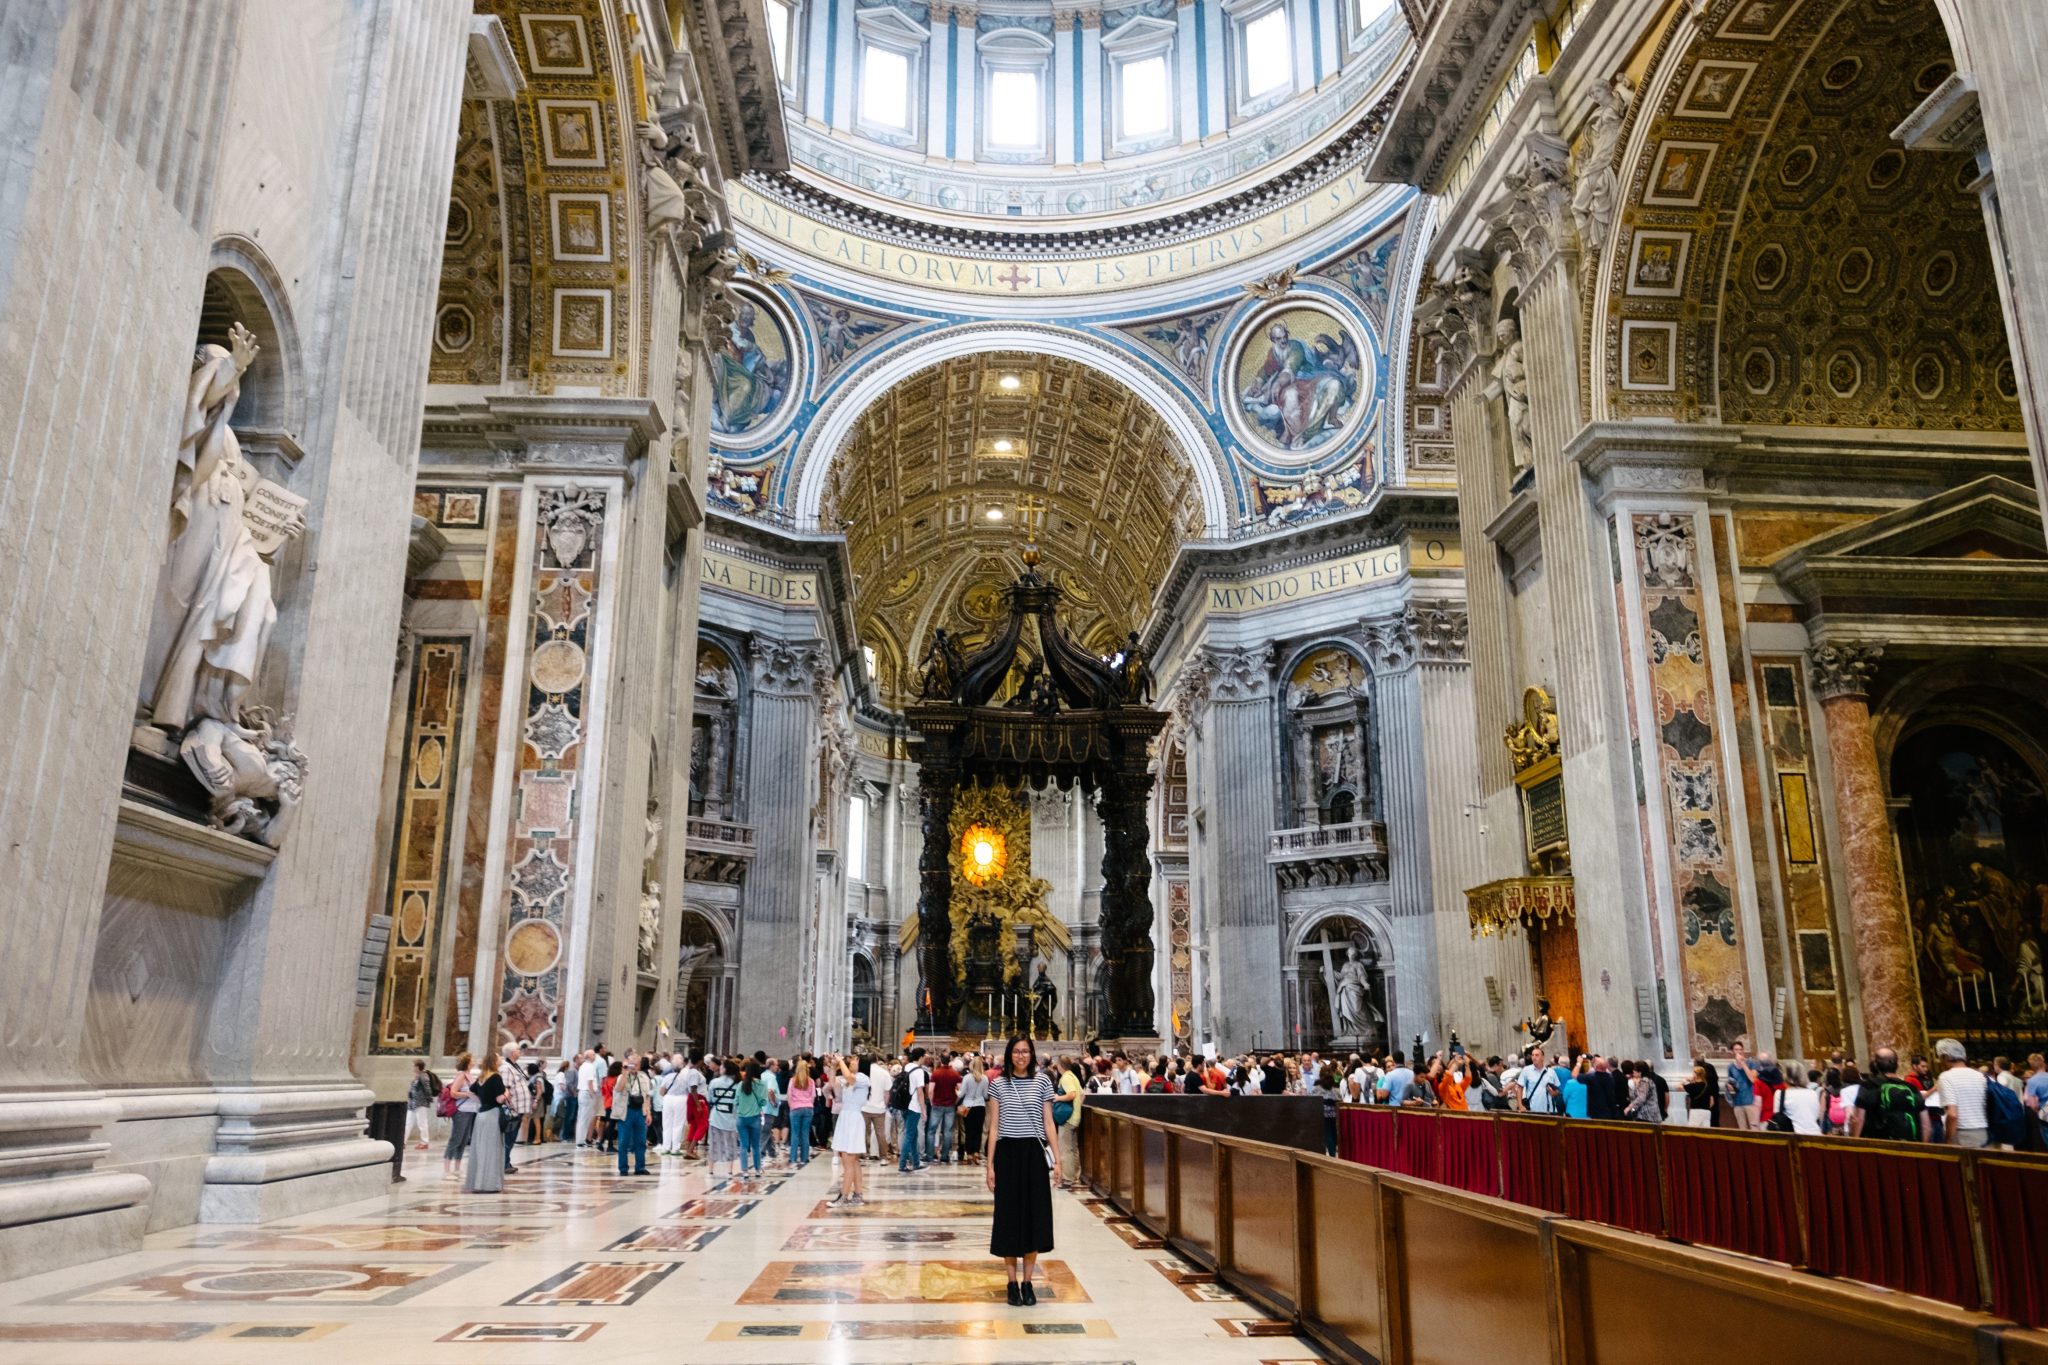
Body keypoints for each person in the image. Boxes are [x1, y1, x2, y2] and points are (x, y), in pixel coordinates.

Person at [987, 1036, 1059, 1306]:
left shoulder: (1042, 1081)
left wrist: (1058, 1160)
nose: (1021, 1056)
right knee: (1008, 1217)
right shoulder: (998, 1084)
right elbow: (994, 1126)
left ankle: (1028, 1282)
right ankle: (1011, 1283)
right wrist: (989, 1165)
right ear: (1009, 1055)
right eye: (1016, 1052)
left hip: (1033, 1154)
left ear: (1032, 1054)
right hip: (1007, 1154)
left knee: (1034, 1216)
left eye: (1025, 1051)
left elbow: (1048, 1122)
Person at [1929, 1037, 1991, 1147]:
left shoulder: (1946, 1077)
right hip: (1984, 1132)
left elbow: (1952, 1114)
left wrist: (1948, 1139)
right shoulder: (1979, 1076)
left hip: (1962, 1134)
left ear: (1944, 1057)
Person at [1853, 1048, 1924, 1142]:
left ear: (1876, 1065)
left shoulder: (1868, 1086)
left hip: (1878, 1145)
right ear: (1897, 1064)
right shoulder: (1911, 1088)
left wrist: (1854, 1142)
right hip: (1909, 1145)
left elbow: (1859, 1119)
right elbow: (1926, 1124)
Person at [829, 1054, 871, 1206]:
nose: (851, 1062)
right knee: (853, 1162)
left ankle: (843, 1196)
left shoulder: (862, 1078)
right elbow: (832, 1083)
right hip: (846, 1117)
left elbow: (849, 1077)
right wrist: (833, 1066)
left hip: (853, 1119)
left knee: (848, 1161)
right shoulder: (850, 1078)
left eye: (855, 1060)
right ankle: (858, 1195)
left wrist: (841, 1061)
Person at [464, 1051, 507, 1194]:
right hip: (492, 1115)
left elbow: (470, 1093)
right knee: (491, 1149)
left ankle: (477, 1182)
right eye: (499, 1057)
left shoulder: (481, 1077)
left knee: (480, 1149)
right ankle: (489, 1184)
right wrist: (507, 1093)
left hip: (481, 1114)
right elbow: (499, 1099)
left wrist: (482, 1102)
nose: (501, 1058)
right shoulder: (496, 1077)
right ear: (494, 1061)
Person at [612, 1055, 653, 1175]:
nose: (634, 1067)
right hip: (626, 1111)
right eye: (631, 1064)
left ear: (639, 1065)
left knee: (641, 1141)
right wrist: (625, 1073)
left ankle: (640, 1167)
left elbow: (647, 1096)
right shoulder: (622, 1076)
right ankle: (623, 1168)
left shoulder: (643, 1077)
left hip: (640, 1111)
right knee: (624, 1141)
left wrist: (648, 1113)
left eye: (636, 1064)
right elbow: (618, 1089)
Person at [735, 1060, 773, 1180]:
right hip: (755, 1118)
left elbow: (736, 1101)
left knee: (743, 1146)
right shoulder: (762, 1084)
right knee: (756, 1145)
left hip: (741, 1118)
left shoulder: (741, 1084)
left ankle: (745, 1171)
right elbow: (763, 1102)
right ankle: (757, 1169)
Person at [442, 1053, 477, 1175]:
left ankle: (457, 1167)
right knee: (456, 1139)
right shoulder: (461, 1075)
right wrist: (467, 1094)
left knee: (464, 1139)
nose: (474, 1061)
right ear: (467, 1062)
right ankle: (447, 1168)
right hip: (461, 1111)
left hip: (470, 1110)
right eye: (472, 1059)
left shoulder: (469, 1075)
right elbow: (453, 1092)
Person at [897, 1048, 930, 1172]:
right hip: (914, 1106)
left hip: (904, 1104)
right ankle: (902, 1164)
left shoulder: (907, 1067)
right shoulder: (919, 1071)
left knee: (913, 1135)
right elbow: (920, 1092)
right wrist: (923, 1110)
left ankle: (916, 1162)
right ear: (920, 1057)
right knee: (909, 1135)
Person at [707, 1058, 741, 1176]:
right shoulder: (738, 1084)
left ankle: (711, 1170)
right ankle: (729, 1170)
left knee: (714, 1144)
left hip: (716, 1117)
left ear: (725, 1069)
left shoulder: (714, 1082)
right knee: (730, 1144)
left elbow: (710, 1099)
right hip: (731, 1118)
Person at [1054, 1058, 1084, 1186]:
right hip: (1075, 1116)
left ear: (1060, 1066)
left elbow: (1072, 1094)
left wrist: (1057, 1098)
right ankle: (1075, 1175)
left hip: (1067, 1118)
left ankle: (1067, 1179)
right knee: (1073, 1149)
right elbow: (1082, 1094)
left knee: (1065, 1149)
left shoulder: (1066, 1078)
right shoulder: (1073, 1076)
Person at [928, 1053, 960, 1163]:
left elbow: (930, 1090)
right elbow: (959, 1091)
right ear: (950, 1059)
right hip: (950, 1105)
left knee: (932, 1130)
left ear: (940, 1060)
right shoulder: (955, 1073)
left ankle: (930, 1155)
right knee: (948, 1131)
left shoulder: (936, 1073)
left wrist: (932, 1102)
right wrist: (955, 1101)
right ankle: (945, 1156)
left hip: (937, 1104)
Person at [657, 1054, 691, 1156]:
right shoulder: (686, 1077)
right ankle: (675, 1148)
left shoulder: (667, 1077)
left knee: (666, 1124)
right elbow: (690, 1090)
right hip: (681, 1099)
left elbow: (661, 1092)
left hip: (668, 1099)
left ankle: (665, 1147)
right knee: (678, 1124)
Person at [958, 1055, 989, 1164]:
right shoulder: (985, 1078)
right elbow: (986, 1095)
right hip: (980, 1106)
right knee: (978, 1130)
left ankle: (969, 1154)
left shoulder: (967, 1077)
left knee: (968, 1131)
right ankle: (976, 1152)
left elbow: (961, 1093)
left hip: (968, 1106)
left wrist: (956, 1091)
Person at [1515, 1048, 1563, 1115]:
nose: (1534, 1057)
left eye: (1537, 1055)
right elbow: (1519, 1088)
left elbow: (1558, 1091)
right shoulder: (1526, 1070)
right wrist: (1520, 1105)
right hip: (1533, 1110)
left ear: (1542, 1057)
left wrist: (1553, 1093)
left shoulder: (1551, 1072)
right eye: (1532, 1055)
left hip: (1549, 1111)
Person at [864, 1054, 894, 1161]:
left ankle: (862, 1155)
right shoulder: (884, 1072)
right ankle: (883, 1157)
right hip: (879, 1108)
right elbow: (887, 1092)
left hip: (865, 1107)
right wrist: (884, 1105)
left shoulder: (863, 1072)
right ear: (877, 1059)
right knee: (880, 1133)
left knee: (863, 1132)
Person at [788, 1060, 817, 1167]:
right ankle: (805, 1158)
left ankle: (793, 1158)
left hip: (795, 1108)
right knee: (805, 1134)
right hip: (808, 1108)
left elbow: (789, 1096)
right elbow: (813, 1096)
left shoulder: (792, 1080)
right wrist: (809, 1105)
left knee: (795, 1134)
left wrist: (792, 1107)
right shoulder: (811, 1081)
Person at [1777, 1068, 1823, 1135]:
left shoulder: (1780, 1094)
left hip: (1792, 1135)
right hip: (1815, 1133)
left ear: (1786, 1077)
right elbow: (1816, 1115)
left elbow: (1777, 1117)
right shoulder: (1813, 1093)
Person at [1725, 1044, 1760, 1130]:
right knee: (1742, 1129)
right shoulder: (1730, 1067)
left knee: (1754, 1128)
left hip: (1751, 1101)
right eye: (1736, 1050)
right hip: (1738, 1102)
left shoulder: (1751, 1063)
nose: (1739, 1052)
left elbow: (1753, 1079)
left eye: (1741, 1049)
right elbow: (1731, 1081)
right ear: (1732, 1052)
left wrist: (1743, 1063)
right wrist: (1730, 1087)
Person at [405, 1060, 437, 1151]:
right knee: (408, 1123)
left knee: (422, 1123)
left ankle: (424, 1142)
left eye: (413, 1066)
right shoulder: (418, 1076)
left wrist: (429, 1098)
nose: (412, 1068)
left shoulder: (423, 1076)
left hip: (420, 1103)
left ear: (417, 1067)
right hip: (413, 1103)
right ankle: (403, 1141)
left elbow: (427, 1088)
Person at [576, 1049, 601, 1147]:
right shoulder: (590, 1067)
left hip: (582, 1093)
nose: (595, 1056)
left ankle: (580, 1139)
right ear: (589, 1056)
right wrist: (593, 1095)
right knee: (585, 1118)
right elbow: (590, 1082)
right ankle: (581, 1141)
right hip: (587, 1093)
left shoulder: (583, 1066)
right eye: (593, 1055)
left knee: (582, 1117)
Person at [1682, 1063, 1719, 1128]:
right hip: (1706, 1112)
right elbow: (1712, 1102)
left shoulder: (1692, 1086)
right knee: (1705, 1131)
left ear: (1695, 1075)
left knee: (1693, 1131)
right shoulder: (1708, 1086)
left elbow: (1679, 1086)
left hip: (1695, 1111)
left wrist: (1687, 1080)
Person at [1317, 1063, 1342, 1155]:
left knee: (1328, 1134)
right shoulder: (1335, 1087)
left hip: (1323, 1114)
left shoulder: (1317, 1088)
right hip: (1334, 1114)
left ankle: (1331, 1154)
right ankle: (1334, 1151)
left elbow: (1314, 1100)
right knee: (1334, 1133)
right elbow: (1339, 1100)